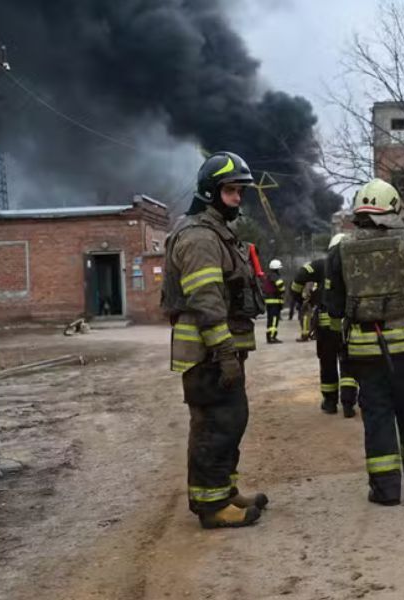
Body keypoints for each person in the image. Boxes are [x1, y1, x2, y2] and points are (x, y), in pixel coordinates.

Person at [326, 178, 404, 506]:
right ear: (393, 208)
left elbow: (334, 306)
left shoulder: (340, 249)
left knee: (377, 415)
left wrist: (342, 347)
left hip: (365, 352)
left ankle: (385, 489)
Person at [162, 151, 268, 529]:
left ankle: (225, 491)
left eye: (240, 191)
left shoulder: (216, 233)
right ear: (211, 192)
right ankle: (211, 507)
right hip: (207, 353)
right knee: (214, 425)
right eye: (231, 191)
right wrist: (224, 353)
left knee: (231, 420)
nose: (238, 198)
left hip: (219, 351)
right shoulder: (200, 238)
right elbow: (207, 301)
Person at [290, 234, 358, 418]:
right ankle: (348, 403)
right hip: (349, 324)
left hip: (326, 326)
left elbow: (299, 276)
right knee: (348, 362)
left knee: (327, 362)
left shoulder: (322, 264)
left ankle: (329, 402)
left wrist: (298, 298)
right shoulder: (355, 264)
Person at [264, 259, 286, 344]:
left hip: (270, 301)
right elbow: (280, 285)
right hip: (275, 301)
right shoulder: (275, 276)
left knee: (270, 319)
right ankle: (272, 336)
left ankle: (270, 336)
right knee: (274, 319)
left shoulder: (269, 275)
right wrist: (282, 290)